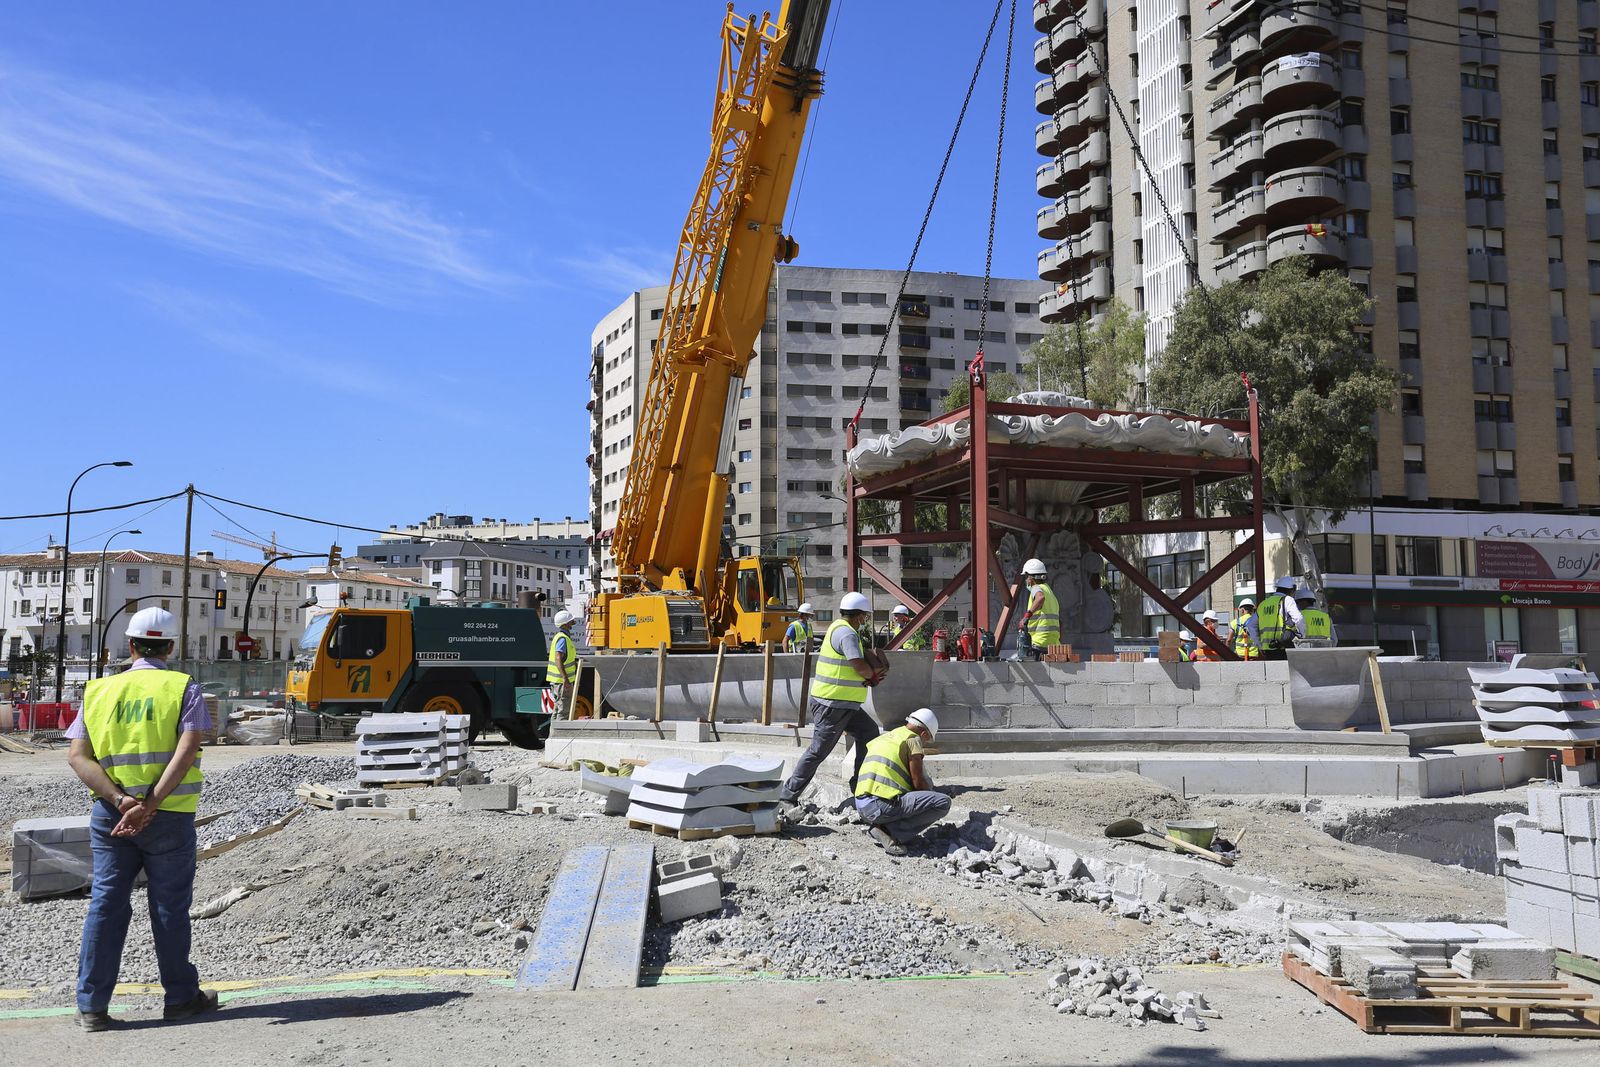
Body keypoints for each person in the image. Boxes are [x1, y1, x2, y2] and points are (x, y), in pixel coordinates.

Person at [64, 607, 216, 1031]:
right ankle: (181, 998)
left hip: (110, 817)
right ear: (170, 647)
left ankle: (92, 1007)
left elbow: (77, 755)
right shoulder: (183, 687)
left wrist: (118, 799)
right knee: (169, 905)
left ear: (130, 646)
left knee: (107, 904)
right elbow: (188, 748)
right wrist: (150, 804)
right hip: (168, 816)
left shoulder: (97, 691)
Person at [779, 591, 883, 806]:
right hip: (832, 704)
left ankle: (860, 787)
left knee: (870, 733)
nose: (865, 620)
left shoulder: (838, 627)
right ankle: (787, 796)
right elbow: (857, 664)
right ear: (859, 615)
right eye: (865, 616)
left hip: (843, 704)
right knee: (818, 751)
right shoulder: (847, 634)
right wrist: (872, 676)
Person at [855, 708, 950, 856]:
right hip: (880, 805)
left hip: (862, 805)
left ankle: (883, 827)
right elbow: (917, 780)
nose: (924, 742)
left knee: (912, 799)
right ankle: (890, 832)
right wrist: (931, 795)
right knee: (942, 803)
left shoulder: (887, 737)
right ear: (924, 733)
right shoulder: (913, 739)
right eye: (926, 739)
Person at [1016, 558, 1060, 661]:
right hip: (1053, 645)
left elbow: (1040, 598)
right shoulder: (1050, 592)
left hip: (1038, 643)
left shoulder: (1037, 588)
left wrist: (1026, 616)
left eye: (1027, 577)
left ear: (1031, 577)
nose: (1026, 580)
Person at [1253, 576, 1305, 660]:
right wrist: (1302, 635)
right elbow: (1298, 618)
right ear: (1291, 589)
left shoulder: (1263, 604)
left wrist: (1259, 645)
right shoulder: (1288, 600)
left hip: (1268, 649)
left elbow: (1250, 625)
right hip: (1283, 647)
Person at [546, 610, 579, 712]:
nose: (572, 622)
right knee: (563, 711)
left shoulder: (560, 637)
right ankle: (560, 728)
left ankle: (555, 728)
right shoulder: (562, 638)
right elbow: (558, 658)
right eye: (570, 620)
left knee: (557, 711)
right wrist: (565, 679)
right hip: (561, 683)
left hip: (558, 682)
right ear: (565, 624)